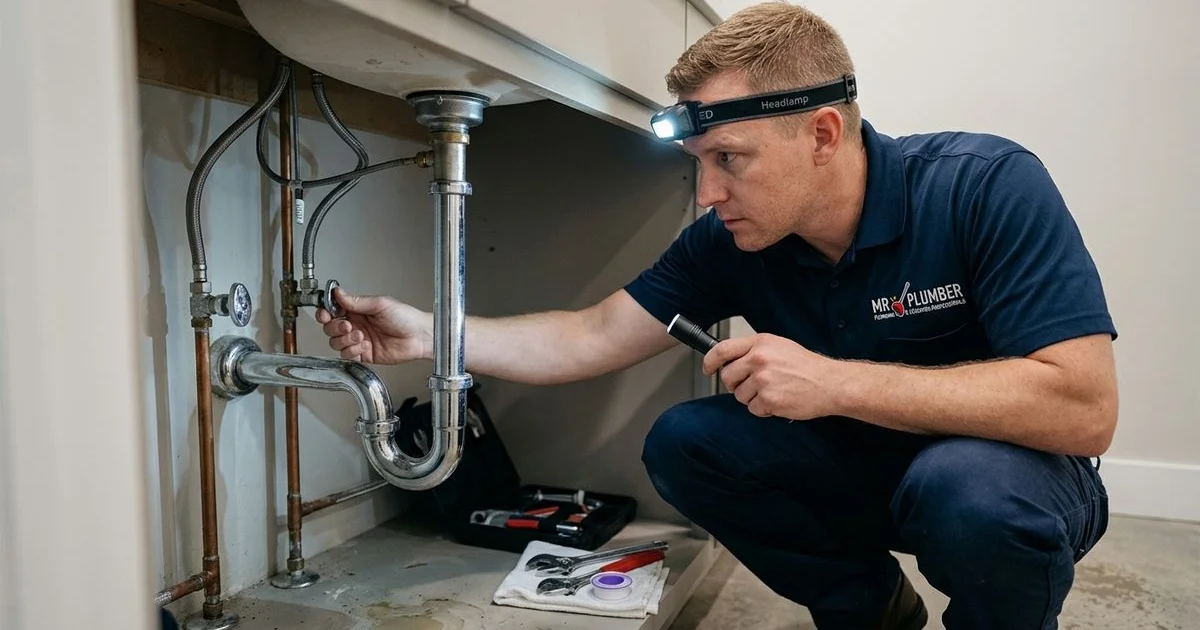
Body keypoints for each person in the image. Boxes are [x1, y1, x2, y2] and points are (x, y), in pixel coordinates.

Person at [316, 2, 1117, 628]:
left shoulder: (984, 187)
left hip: (1003, 479)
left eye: (729, 160)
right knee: (688, 442)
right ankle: (868, 610)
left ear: (822, 134)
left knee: (969, 490)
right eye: (699, 166)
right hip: (867, 472)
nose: (707, 195)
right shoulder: (732, 240)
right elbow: (591, 333)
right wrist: (431, 332)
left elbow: (1084, 408)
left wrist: (836, 383)